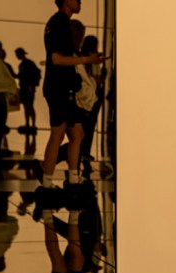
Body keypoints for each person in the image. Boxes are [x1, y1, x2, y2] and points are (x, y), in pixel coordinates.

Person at [40, 0, 106, 192]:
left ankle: (72, 179)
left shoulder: (57, 23)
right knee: (58, 134)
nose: (80, 2)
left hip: (62, 87)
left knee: (76, 134)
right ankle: (49, 182)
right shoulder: (60, 23)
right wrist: (87, 59)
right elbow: (56, 58)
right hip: (60, 88)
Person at [15, 47, 41, 132]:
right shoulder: (22, 65)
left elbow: (36, 74)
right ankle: (28, 124)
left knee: (29, 106)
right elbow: (20, 76)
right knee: (26, 106)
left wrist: (32, 85)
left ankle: (33, 124)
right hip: (24, 88)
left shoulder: (29, 63)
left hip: (28, 88)